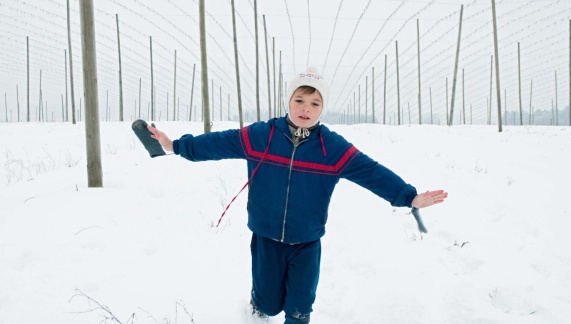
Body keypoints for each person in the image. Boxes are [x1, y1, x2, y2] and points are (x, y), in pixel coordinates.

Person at [147, 67, 448, 323]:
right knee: (268, 304)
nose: (306, 108)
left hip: (306, 242)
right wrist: (176, 146)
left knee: (299, 310)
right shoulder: (261, 136)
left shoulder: (332, 148)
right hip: (266, 238)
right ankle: (258, 306)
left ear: (322, 108)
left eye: (315, 103)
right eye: (300, 100)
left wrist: (409, 197)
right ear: (288, 101)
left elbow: (371, 172)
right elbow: (217, 143)